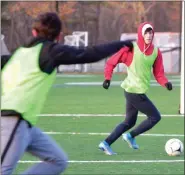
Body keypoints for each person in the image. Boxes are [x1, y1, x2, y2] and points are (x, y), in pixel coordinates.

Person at [1, 12, 133, 175]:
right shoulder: (49, 51)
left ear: (34, 32)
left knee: (57, 161)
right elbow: (89, 53)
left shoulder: (18, 53)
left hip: (25, 125)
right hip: (11, 122)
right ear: (59, 35)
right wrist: (120, 44)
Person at [98, 22, 173, 155]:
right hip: (133, 91)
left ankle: (106, 143)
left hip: (137, 92)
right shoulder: (131, 48)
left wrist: (165, 83)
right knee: (155, 117)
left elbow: (159, 73)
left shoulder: (156, 52)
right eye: (146, 32)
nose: (149, 35)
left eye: (151, 32)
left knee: (129, 122)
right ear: (141, 34)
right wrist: (107, 78)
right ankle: (130, 136)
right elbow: (111, 62)